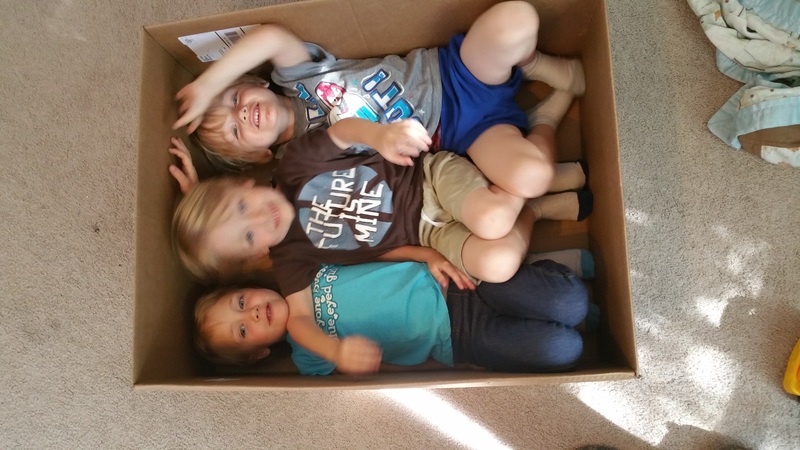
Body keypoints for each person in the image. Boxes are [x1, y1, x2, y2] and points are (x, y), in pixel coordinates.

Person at [171, 117, 592, 373]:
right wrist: (336, 350)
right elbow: (300, 319)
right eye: (247, 235)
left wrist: (380, 135)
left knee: (563, 297)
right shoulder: (292, 261)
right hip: (456, 323)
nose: (260, 219)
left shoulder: (293, 166)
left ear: (245, 185)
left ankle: (534, 186)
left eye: (242, 206)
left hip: (437, 236)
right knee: (565, 348)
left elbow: (341, 132)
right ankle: (534, 210)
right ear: (254, 255)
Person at [172, 1, 587, 199]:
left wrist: (208, 85)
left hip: (454, 69)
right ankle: (545, 118)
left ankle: (532, 65)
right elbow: (252, 207)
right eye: (235, 130)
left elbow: (269, 36)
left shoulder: (296, 77)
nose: (242, 113)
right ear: (260, 157)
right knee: (531, 179)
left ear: (257, 83)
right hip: (461, 132)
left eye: (234, 98)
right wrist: (198, 194)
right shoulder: (297, 163)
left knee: (517, 18)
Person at [193, 259, 590, 375]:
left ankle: (558, 273)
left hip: (456, 280)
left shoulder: (297, 271)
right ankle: (555, 317)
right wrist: (444, 368)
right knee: (565, 350)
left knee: (572, 303)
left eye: (240, 301)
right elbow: (379, 370)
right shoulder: (308, 357)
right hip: (458, 340)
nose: (252, 313)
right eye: (242, 330)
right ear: (259, 353)